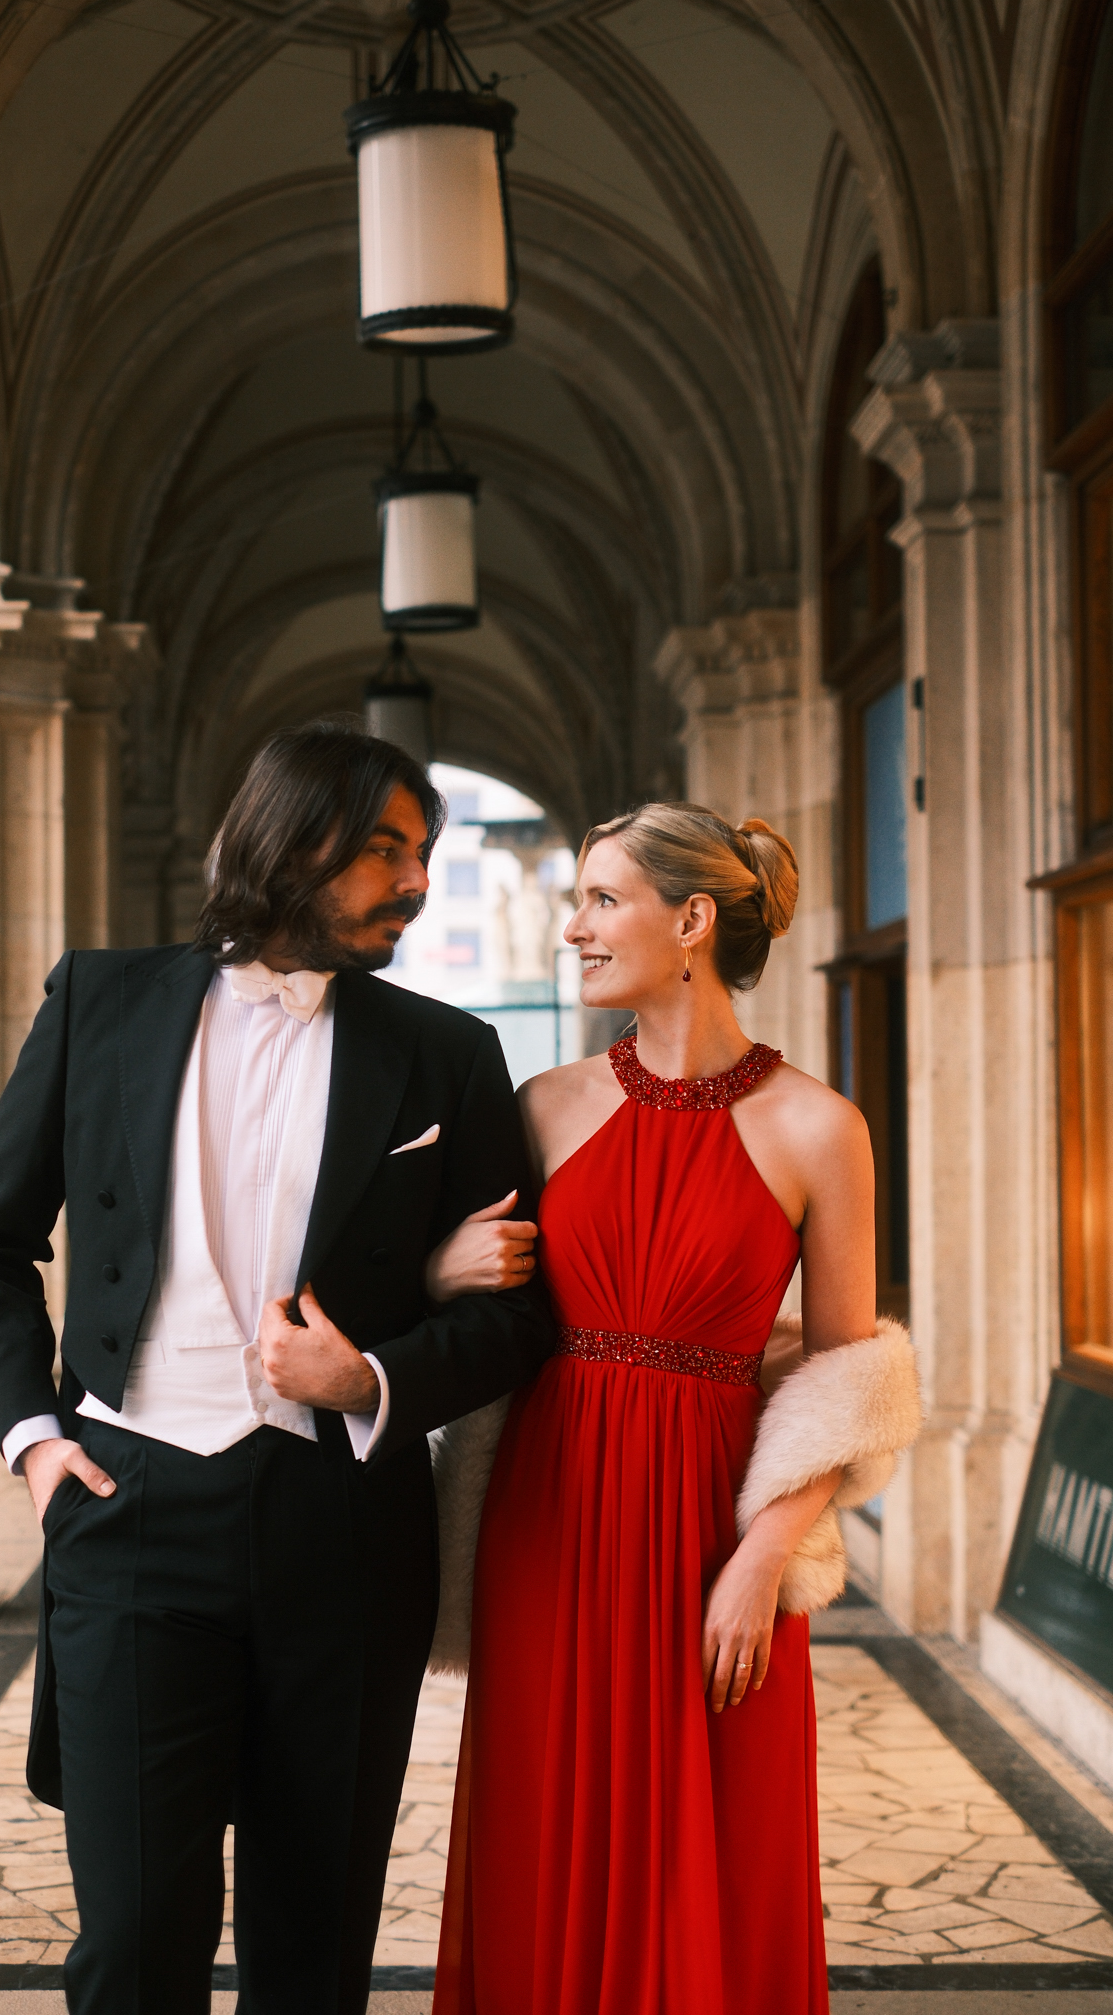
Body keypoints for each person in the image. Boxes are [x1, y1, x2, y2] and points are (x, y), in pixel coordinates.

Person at [0, 722, 557, 2015]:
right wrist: (35, 1442)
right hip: (126, 1510)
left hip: (343, 1528)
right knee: (135, 1940)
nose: (414, 881)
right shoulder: (99, 1002)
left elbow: (518, 1320)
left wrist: (369, 1380)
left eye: (426, 853)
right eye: (386, 848)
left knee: (312, 1944)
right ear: (292, 839)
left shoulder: (446, 1055)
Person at [424, 802, 920, 2015]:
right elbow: (474, 1304)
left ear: (691, 920)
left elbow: (847, 1373)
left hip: (717, 1526)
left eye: (600, 899)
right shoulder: (542, 1106)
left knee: (722, 1845)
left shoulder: (820, 1127)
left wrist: (764, 1554)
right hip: (547, 1520)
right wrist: (443, 1269)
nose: (572, 923)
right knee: (541, 1828)